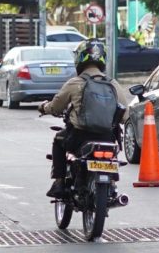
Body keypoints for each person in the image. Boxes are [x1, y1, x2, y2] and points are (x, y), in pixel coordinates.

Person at [38, 39, 132, 198]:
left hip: (79, 137)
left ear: (80, 59)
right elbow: (125, 116)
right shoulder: (113, 84)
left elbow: (55, 107)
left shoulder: (75, 82)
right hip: (107, 138)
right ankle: (112, 185)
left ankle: (59, 182)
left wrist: (43, 107)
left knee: (59, 139)